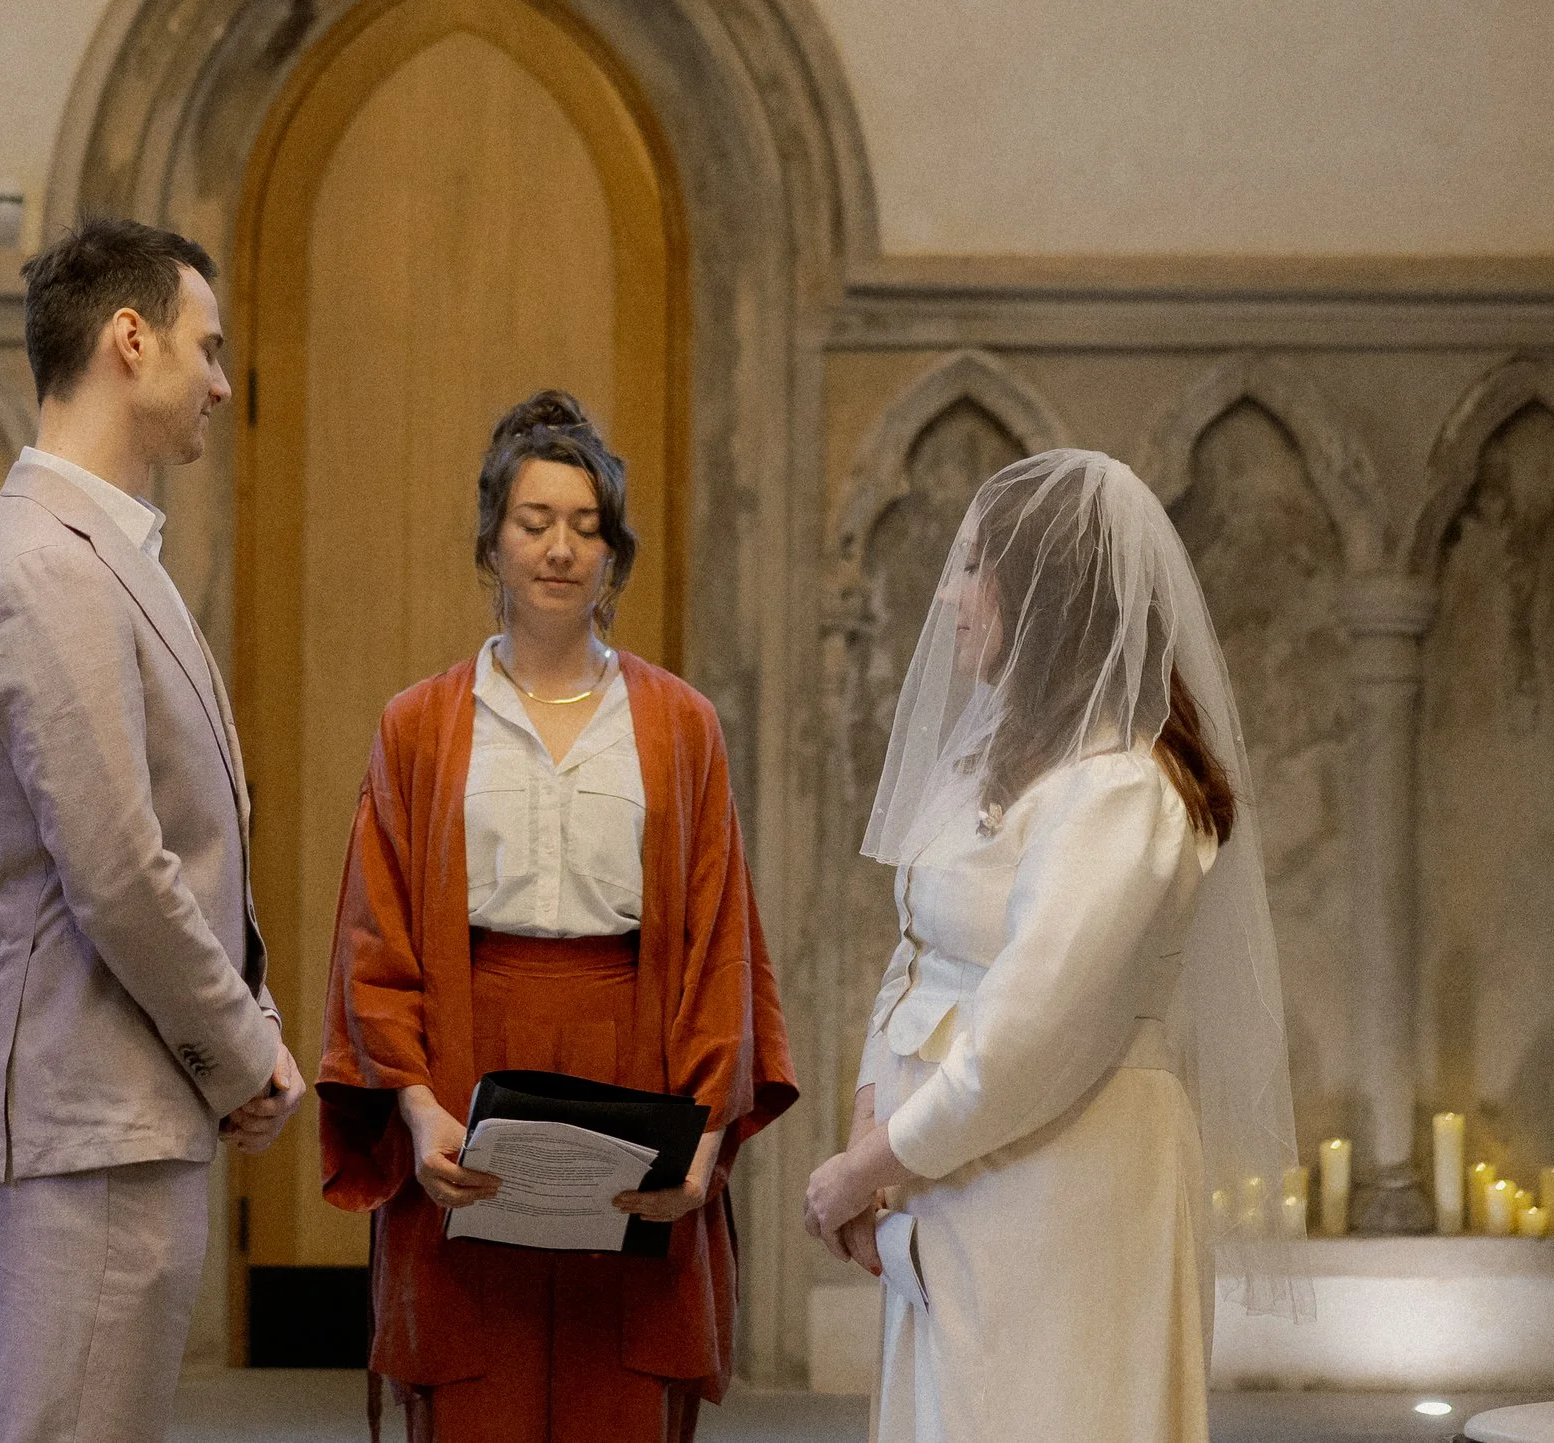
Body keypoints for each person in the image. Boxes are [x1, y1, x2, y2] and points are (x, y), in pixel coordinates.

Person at [318, 390, 797, 1443]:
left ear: (615, 556)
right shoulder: (419, 725)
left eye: (587, 527)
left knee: (614, 1386)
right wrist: (413, 1107)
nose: (560, 548)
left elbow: (722, 941)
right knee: (476, 1379)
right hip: (465, 1070)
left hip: (636, 1067)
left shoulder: (679, 725)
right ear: (491, 539)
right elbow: (375, 936)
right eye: (535, 522)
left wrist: (707, 1140)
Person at [803, 448, 1303, 1443]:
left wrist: (867, 1169)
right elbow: (914, 949)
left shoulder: (1123, 791)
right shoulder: (995, 765)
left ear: (1049, 595)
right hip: (956, 1175)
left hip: (1065, 1178)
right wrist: (870, 1130)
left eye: (975, 566)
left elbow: (1031, 1031)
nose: (949, 593)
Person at [0, 218, 303, 1443]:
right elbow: (117, 868)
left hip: (128, 1096)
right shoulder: (46, 563)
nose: (218, 380)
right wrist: (242, 1045)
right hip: (89, 1097)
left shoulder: (99, 549)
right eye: (206, 348)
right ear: (128, 338)